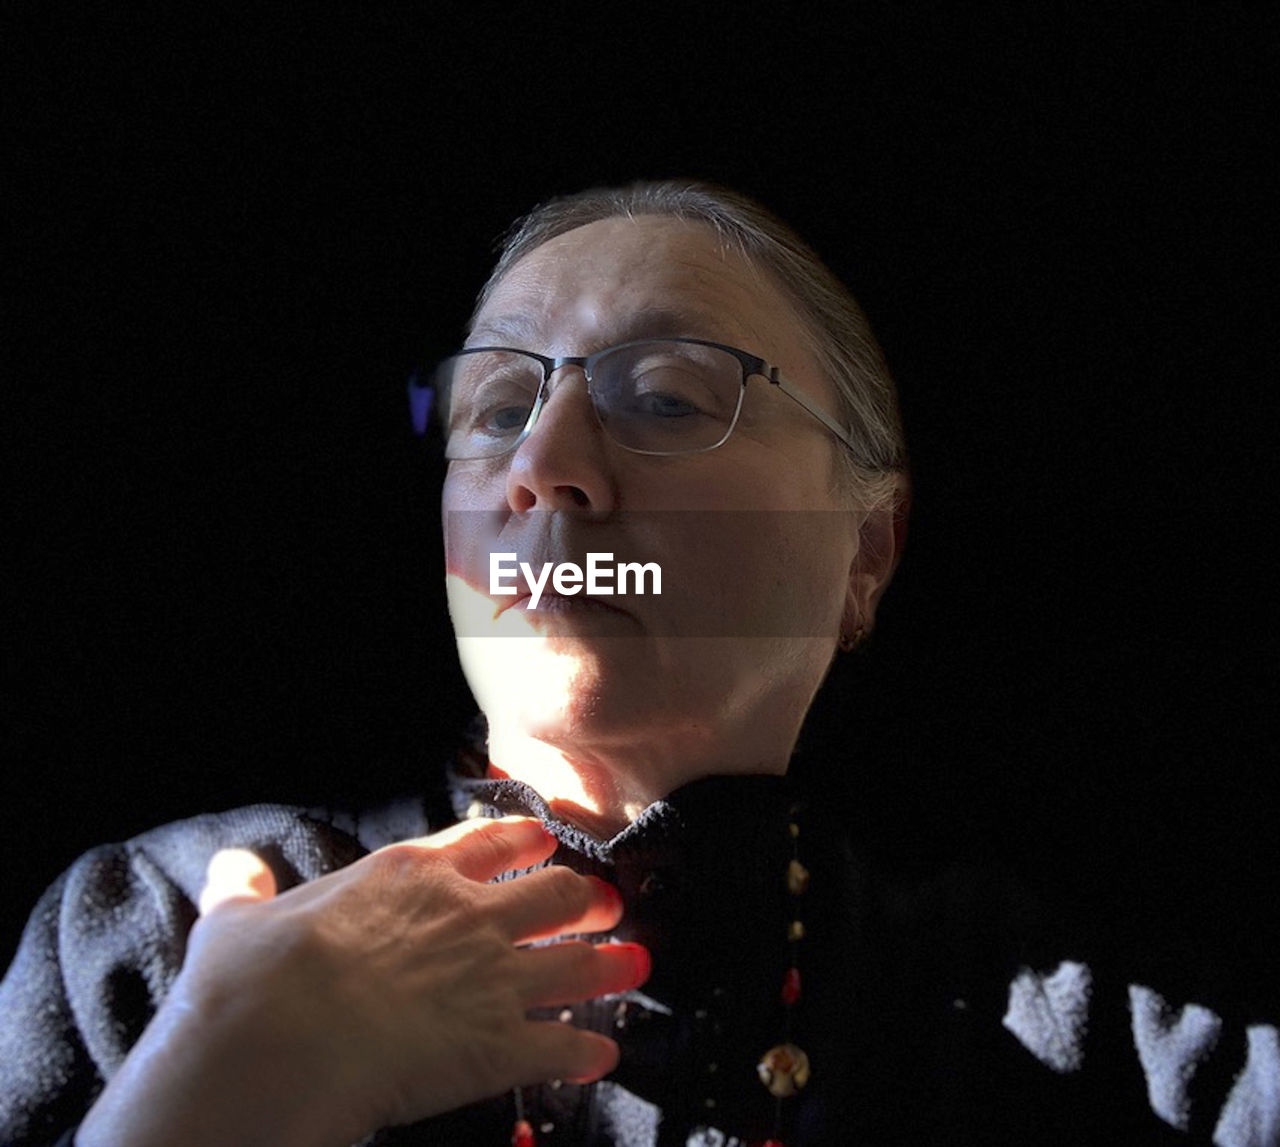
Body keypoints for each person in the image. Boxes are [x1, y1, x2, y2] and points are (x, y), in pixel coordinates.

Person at [1, 181, 1275, 1146]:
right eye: (495, 407)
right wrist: (210, 1086)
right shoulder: (163, 929)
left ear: (866, 554)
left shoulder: (1128, 1054)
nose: (540, 461)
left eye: (663, 397)